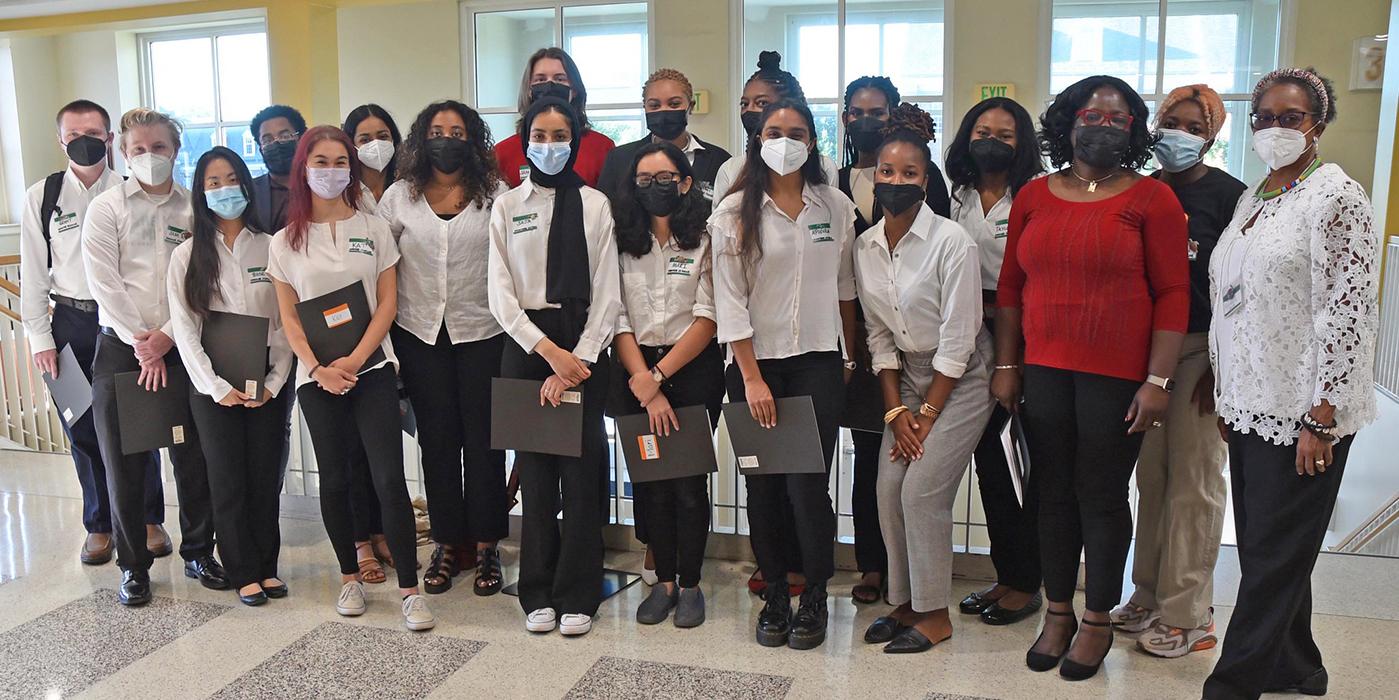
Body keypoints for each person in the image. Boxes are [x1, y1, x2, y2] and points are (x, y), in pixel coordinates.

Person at [992, 75, 1188, 680]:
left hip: (1119, 378)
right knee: (1050, 494)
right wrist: (1006, 364)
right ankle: (1057, 612)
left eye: (1117, 118)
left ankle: (1097, 617)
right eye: (1090, 115)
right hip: (1044, 370)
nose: (1101, 126)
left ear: (1133, 129)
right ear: (1066, 121)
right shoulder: (1033, 196)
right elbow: (1011, 288)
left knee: (1100, 497)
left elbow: (1174, 291)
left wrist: (1158, 380)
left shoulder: (1154, 200)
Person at [1203, 67, 1379, 700]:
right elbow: (1232, 300)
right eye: (1264, 117)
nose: (1274, 128)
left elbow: (1349, 310)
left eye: (1290, 117)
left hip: (1306, 411)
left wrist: (1322, 416)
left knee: (1274, 556)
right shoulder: (1258, 196)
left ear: (1318, 124)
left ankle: (1234, 684)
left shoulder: (1337, 197)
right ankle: (1298, 665)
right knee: (1265, 547)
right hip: (1251, 403)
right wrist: (1227, 393)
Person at [266, 125, 434, 631]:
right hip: (316, 379)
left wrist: (357, 361)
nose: (331, 171)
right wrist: (318, 369)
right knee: (335, 479)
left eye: (341, 161)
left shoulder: (374, 228)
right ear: (303, 168)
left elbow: (388, 304)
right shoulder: (284, 241)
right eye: (321, 162)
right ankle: (349, 578)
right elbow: (289, 318)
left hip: (374, 370)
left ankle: (411, 589)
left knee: (388, 478)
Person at [711, 98, 857, 650]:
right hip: (756, 364)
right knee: (765, 486)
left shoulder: (834, 206)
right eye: (775, 131)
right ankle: (774, 590)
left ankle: (814, 592)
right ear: (757, 138)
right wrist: (751, 378)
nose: (786, 139)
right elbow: (729, 303)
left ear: (813, 142)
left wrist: (847, 355)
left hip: (818, 361)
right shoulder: (731, 213)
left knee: (808, 486)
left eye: (797, 131)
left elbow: (845, 285)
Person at [1111, 84, 1246, 658]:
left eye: (1194, 127)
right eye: (1171, 122)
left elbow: (1243, 291)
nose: (1179, 135)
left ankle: (1189, 614)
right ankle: (1147, 593)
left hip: (1203, 352)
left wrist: (1225, 367)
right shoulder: (1144, 192)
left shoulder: (1231, 197)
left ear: (1212, 136)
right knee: (1153, 481)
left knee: (1195, 484)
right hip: (1147, 356)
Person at [854, 103, 991, 654]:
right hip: (906, 377)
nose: (895, 181)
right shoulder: (864, 247)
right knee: (888, 489)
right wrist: (895, 412)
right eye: (886, 172)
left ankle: (935, 614)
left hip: (960, 378)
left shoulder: (953, 242)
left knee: (922, 492)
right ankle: (906, 602)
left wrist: (926, 417)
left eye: (909, 174)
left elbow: (958, 345)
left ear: (926, 179)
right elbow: (878, 338)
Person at [82, 108, 227, 605]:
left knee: (194, 455)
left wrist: (168, 337)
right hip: (122, 350)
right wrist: (143, 342)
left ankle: (198, 551)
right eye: (139, 149)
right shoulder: (106, 208)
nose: (149, 156)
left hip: (184, 347)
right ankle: (134, 566)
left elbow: (204, 279)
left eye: (159, 147)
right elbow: (104, 282)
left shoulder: (194, 209)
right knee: (123, 461)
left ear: (175, 150)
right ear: (123, 153)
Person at [487, 97, 620, 638]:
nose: (548, 145)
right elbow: (499, 293)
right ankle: (537, 591)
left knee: (582, 476)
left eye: (559, 134)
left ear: (576, 138)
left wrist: (579, 359)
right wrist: (547, 354)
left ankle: (578, 593)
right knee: (536, 475)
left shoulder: (595, 205)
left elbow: (609, 291)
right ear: (524, 140)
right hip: (527, 347)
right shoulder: (506, 205)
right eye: (538, 135)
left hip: (584, 345)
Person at [20, 99, 170, 566]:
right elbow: (32, 272)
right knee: (81, 426)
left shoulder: (133, 190)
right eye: (73, 134)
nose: (84, 141)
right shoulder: (42, 196)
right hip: (69, 321)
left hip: (125, 323)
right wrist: (40, 339)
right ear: (60, 139)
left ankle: (148, 519)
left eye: (94, 132)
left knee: (137, 425)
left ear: (110, 139)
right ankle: (99, 524)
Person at [379, 99, 510, 597]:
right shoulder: (398, 197)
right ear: (421, 138)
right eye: (437, 130)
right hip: (419, 335)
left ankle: (487, 545)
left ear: (473, 139)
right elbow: (382, 269)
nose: (447, 138)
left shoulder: (497, 195)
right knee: (437, 443)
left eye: (457, 131)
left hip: (484, 332)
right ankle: (447, 543)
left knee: (485, 445)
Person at [835, 75, 953, 605]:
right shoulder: (833, 180)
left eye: (876, 112)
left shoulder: (931, 192)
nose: (866, 121)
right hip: (863, 340)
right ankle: (872, 566)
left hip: (921, 342)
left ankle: (911, 585)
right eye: (856, 112)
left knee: (904, 471)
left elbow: (932, 262)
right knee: (867, 456)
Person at [167, 146, 292, 607]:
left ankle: (267, 567)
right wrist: (216, 387)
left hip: (266, 382)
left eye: (231, 179)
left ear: (246, 183)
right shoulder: (186, 255)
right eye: (212, 182)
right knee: (226, 478)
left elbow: (283, 324)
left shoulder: (271, 245)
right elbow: (184, 328)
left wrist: (275, 381)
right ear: (201, 193)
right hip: (211, 388)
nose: (224, 190)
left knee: (264, 477)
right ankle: (242, 571)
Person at [609, 141, 722, 628]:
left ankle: (692, 584)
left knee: (688, 486)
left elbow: (708, 316)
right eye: (644, 179)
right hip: (634, 371)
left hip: (690, 370)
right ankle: (666, 582)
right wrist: (643, 380)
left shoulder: (707, 237)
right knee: (651, 484)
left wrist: (658, 378)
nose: (655, 188)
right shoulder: (619, 241)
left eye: (665, 178)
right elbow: (614, 316)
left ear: (686, 182)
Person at [942, 96, 1046, 626]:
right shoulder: (955, 194)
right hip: (964, 338)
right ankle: (1007, 576)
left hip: (1016, 340)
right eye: (983, 131)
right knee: (988, 463)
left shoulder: (1034, 195)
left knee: (1013, 467)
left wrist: (1014, 357)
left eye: (1006, 135)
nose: (993, 142)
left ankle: (1027, 582)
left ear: (1022, 144)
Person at [342, 103, 404, 583]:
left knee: (390, 447)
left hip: (411, 324)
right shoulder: (341, 194)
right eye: (363, 137)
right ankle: (362, 536)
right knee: (357, 449)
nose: (374, 144)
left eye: (382, 134)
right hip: (356, 334)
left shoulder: (411, 184)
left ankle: (390, 530)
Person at [713, 51, 838, 201]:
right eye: (744, 104)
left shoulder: (824, 168)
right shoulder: (731, 170)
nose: (750, 110)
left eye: (762, 103)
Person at [597, 68, 731, 202]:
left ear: (691, 106)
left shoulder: (720, 161)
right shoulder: (619, 160)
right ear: (645, 108)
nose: (664, 111)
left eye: (674, 104)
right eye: (654, 105)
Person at [494, 47, 615, 188]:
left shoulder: (601, 147)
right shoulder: (503, 152)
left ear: (574, 90)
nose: (550, 85)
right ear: (528, 90)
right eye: (540, 79)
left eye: (559, 79)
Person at [249, 104, 308, 231]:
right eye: (267, 140)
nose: (276, 143)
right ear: (260, 149)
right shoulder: (249, 192)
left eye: (285, 136)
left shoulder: (322, 183)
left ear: (302, 139)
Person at [343, 103, 402, 212]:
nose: (376, 144)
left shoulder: (407, 186)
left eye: (383, 137)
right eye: (365, 140)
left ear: (393, 139)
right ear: (351, 144)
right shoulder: (344, 192)